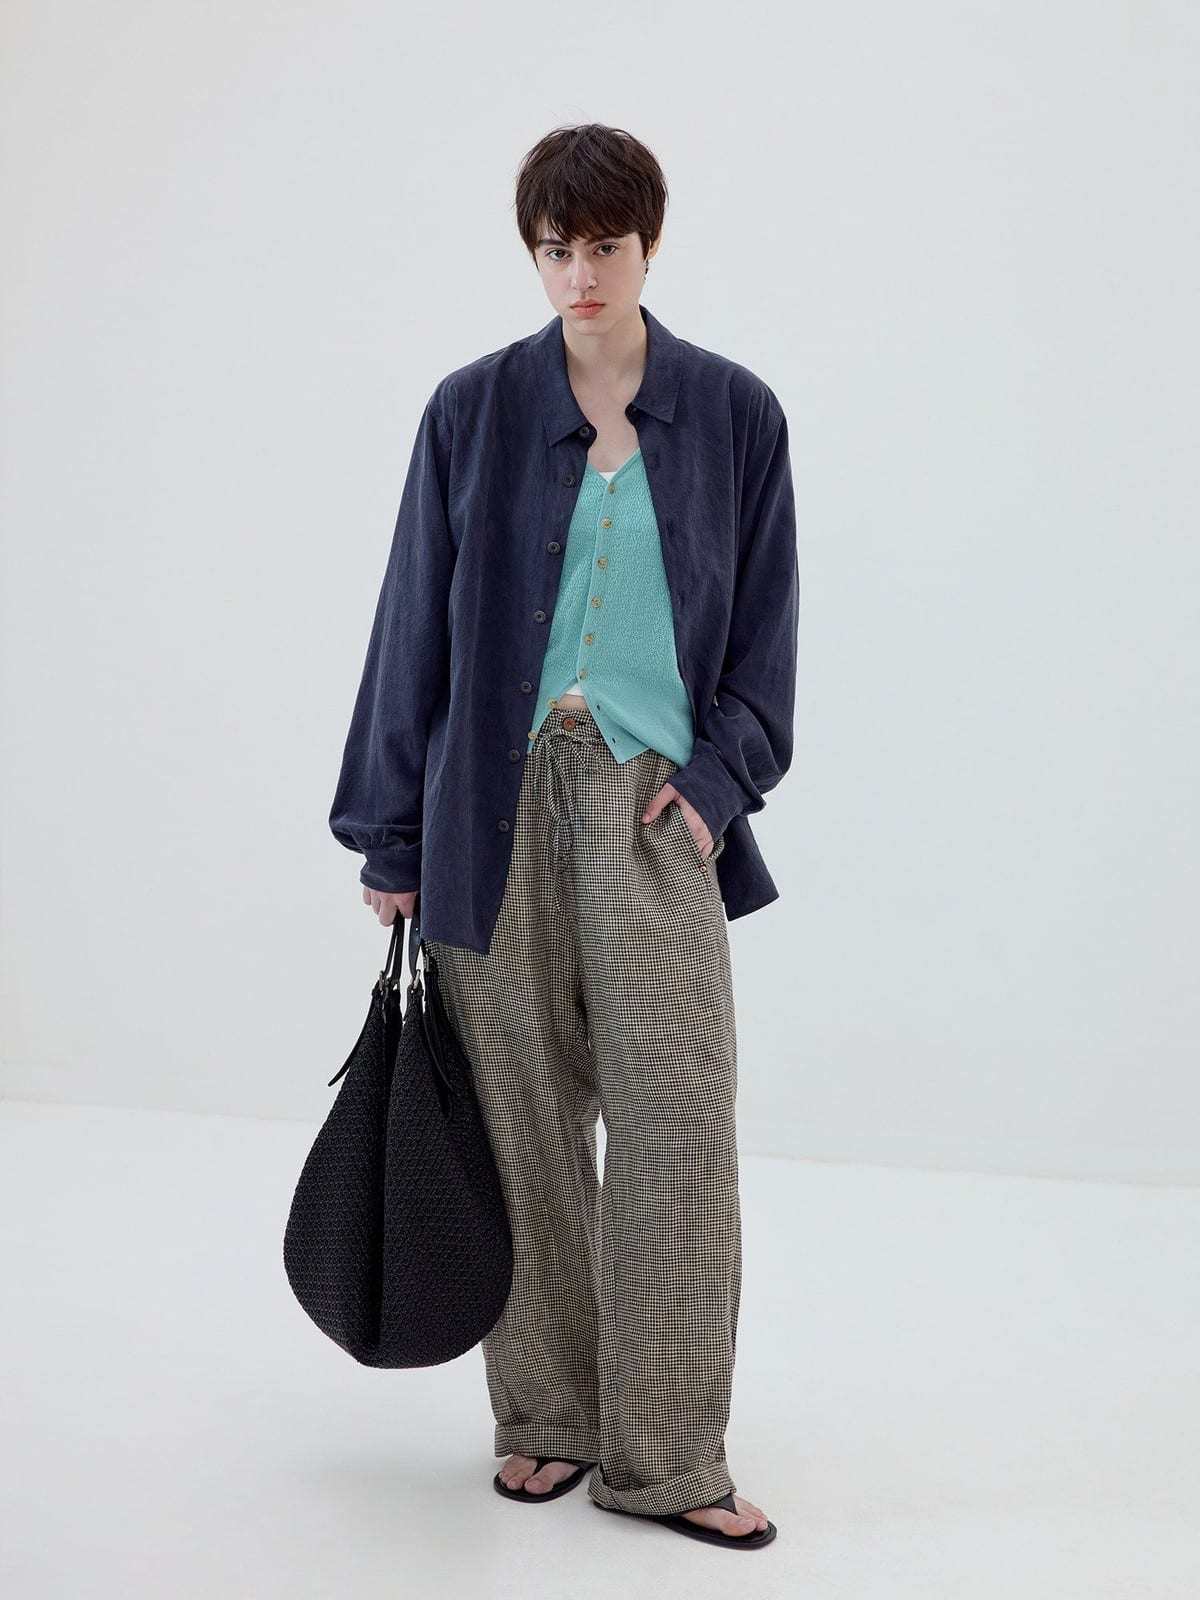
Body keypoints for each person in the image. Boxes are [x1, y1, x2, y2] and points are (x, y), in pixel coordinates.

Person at [329, 123, 798, 1549]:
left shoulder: (736, 414)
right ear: (532, 253)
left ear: (649, 244)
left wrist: (717, 783)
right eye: (555, 249)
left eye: (604, 245)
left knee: (677, 1125)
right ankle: (547, 1413)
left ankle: (669, 1453)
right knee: (520, 1119)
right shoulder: (469, 411)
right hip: (493, 806)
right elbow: (411, 623)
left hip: (656, 802)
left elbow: (766, 637)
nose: (580, 273)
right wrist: (391, 838)